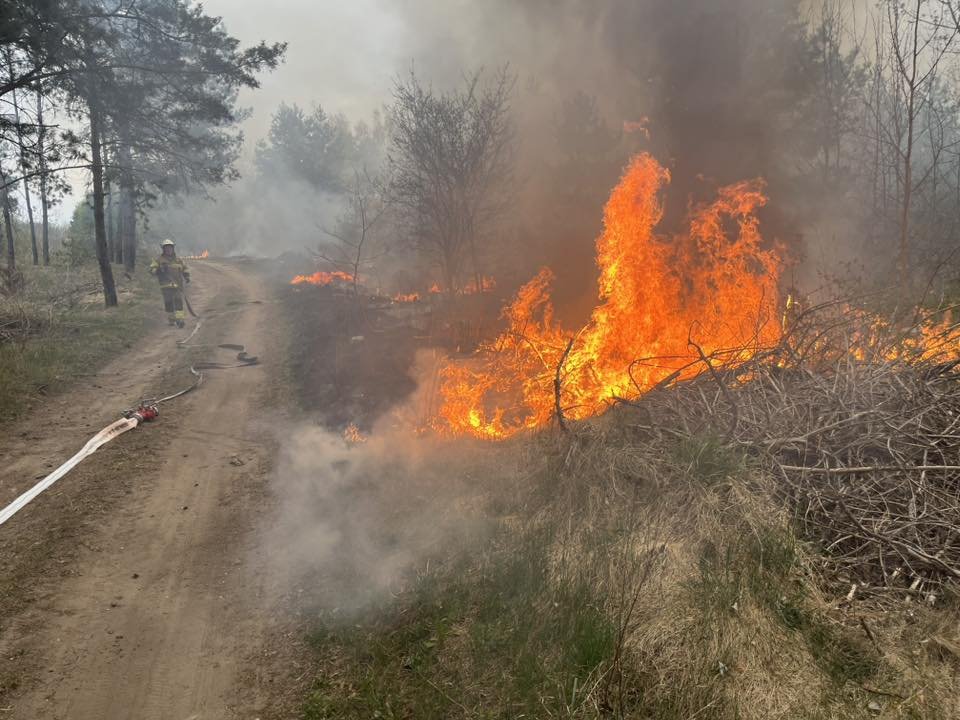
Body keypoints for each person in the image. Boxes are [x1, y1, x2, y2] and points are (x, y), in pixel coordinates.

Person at [149, 239, 190, 328]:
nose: (168, 250)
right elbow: (152, 271)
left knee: (178, 301)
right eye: (166, 248)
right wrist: (159, 269)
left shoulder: (178, 260)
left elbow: (185, 268)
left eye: (170, 248)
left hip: (177, 285)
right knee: (168, 303)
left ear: (173, 248)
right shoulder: (158, 260)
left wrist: (186, 276)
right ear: (163, 249)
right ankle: (171, 320)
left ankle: (180, 320)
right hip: (165, 285)